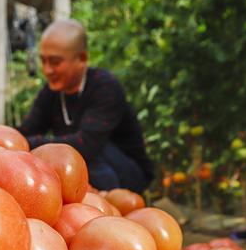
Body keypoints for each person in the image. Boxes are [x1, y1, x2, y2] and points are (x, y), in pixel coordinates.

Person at [16, 19, 154, 192]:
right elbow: (25, 131)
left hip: (126, 172)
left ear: (82, 58)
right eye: (43, 61)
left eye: (55, 62)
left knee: (83, 152)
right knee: (67, 156)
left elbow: (86, 143)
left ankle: (107, 205)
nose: (47, 70)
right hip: (89, 168)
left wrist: (26, 144)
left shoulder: (105, 86)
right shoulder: (51, 92)